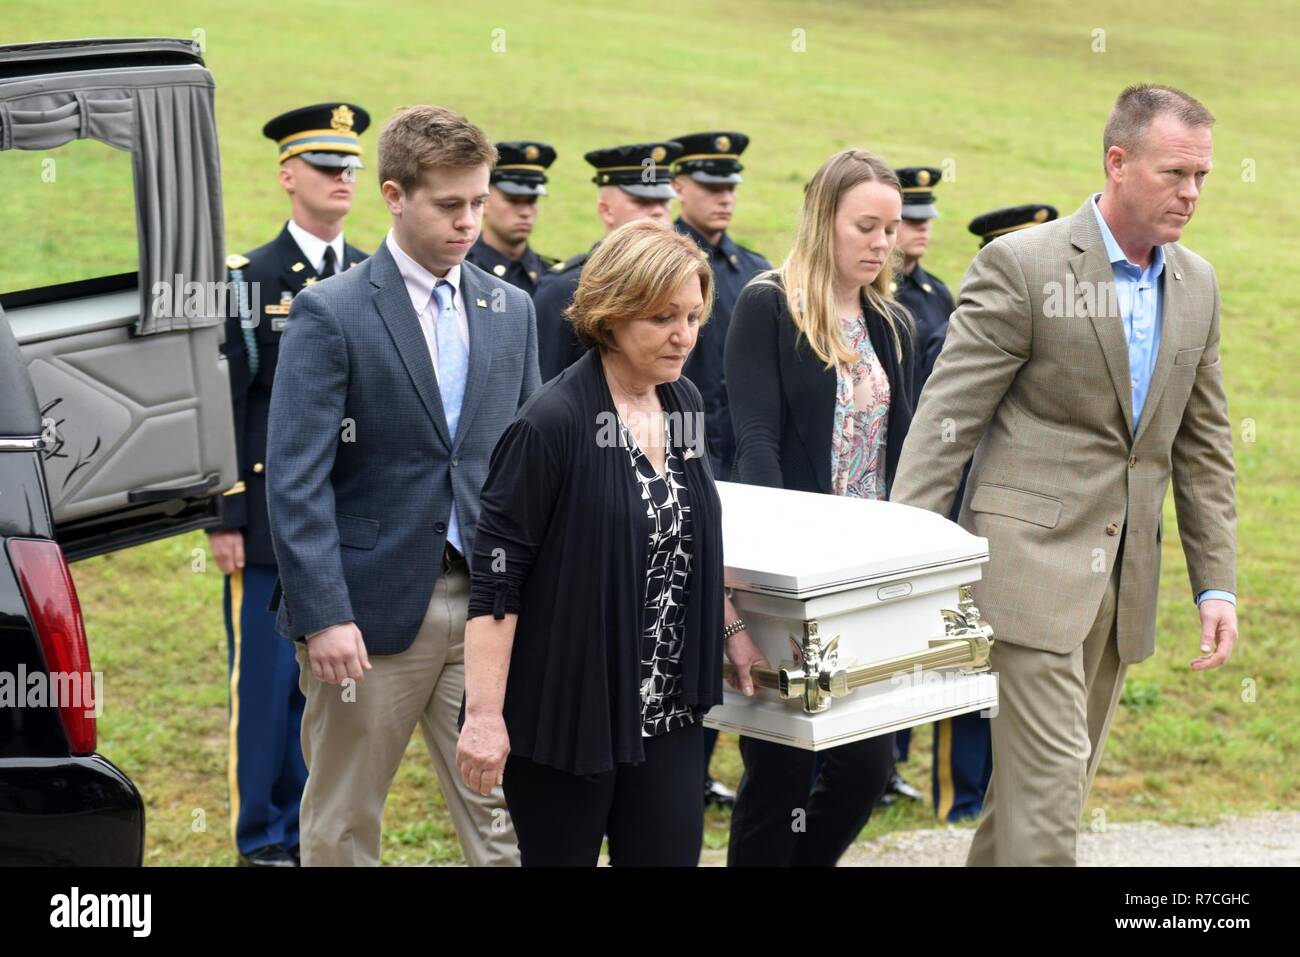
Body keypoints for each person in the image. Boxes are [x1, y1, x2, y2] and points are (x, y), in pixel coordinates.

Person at [892, 84, 1238, 866]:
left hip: (1121, 591)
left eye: (1202, 178)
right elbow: (949, 419)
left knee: (1032, 801)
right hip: (1025, 574)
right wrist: (906, 561)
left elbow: (1204, 446)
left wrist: (1215, 585)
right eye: (1175, 173)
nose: (1191, 193)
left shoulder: (1199, 284)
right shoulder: (1022, 263)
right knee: (1049, 820)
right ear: (1118, 163)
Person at [266, 104, 541, 867]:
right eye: (449, 205)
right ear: (394, 194)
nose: (469, 222)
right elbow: (296, 479)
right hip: (368, 615)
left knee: (511, 813)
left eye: (479, 203)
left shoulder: (510, 310)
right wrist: (323, 615)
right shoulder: (332, 311)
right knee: (344, 818)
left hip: (487, 607)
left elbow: (528, 469)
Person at [455, 220, 768, 867]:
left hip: (667, 712)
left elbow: (689, 538)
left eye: (692, 314)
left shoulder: (681, 399)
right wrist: (484, 716)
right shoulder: (551, 424)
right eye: (662, 318)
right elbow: (496, 582)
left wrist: (731, 625)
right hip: (571, 707)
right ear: (611, 315)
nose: (684, 334)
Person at [723, 148, 915, 866]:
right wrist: (765, 579)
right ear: (824, 220)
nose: (880, 242)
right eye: (865, 225)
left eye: (890, 229)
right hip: (789, 574)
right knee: (778, 774)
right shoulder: (769, 305)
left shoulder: (893, 325)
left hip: (867, 581)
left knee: (863, 770)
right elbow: (756, 443)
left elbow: (902, 461)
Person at [211, 102, 370, 867]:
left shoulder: (374, 276)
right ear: (287, 175)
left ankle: (314, 828)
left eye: (351, 167)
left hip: (351, 526)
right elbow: (227, 403)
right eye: (326, 166)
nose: (344, 178)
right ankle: (261, 836)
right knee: (268, 692)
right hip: (271, 522)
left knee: (334, 691)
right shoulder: (251, 279)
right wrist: (226, 514)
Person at [921, 202, 1062, 825]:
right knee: (968, 669)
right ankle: (959, 798)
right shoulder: (958, 327)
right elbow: (946, 431)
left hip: (1043, 527)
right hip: (970, 514)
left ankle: (1004, 801)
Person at [669, 130, 771, 811]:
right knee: (686, 614)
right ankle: (685, 765)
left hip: (740, 466)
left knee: (744, 618)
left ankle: (726, 752)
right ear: (679, 188)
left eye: (731, 184)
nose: (723, 196)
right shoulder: (666, 262)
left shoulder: (752, 270)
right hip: (680, 457)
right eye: (709, 185)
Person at [878, 165, 950, 809]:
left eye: (926, 219)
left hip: (915, 476)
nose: (918, 231)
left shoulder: (934, 294)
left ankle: (888, 761)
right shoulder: (885, 297)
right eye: (909, 219)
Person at [534, 140, 682, 380]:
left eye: (664, 202)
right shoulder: (565, 288)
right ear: (606, 211)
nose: (657, 212)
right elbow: (542, 390)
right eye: (642, 202)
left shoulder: (680, 285)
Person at [466, 140, 557, 295]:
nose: (525, 212)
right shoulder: (459, 271)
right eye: (513, 200)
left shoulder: (552, 278)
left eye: (531, 201)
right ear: (483, 201)